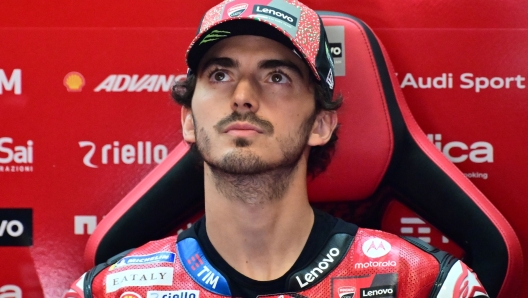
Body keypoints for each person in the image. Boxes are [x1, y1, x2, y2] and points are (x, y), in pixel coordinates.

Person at [65, 0, 489, 297]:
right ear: (188, 121)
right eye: (219, 75)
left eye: (277, 76)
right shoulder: (113, 291)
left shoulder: (424, 285)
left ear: (320, 124)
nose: (243, 96)